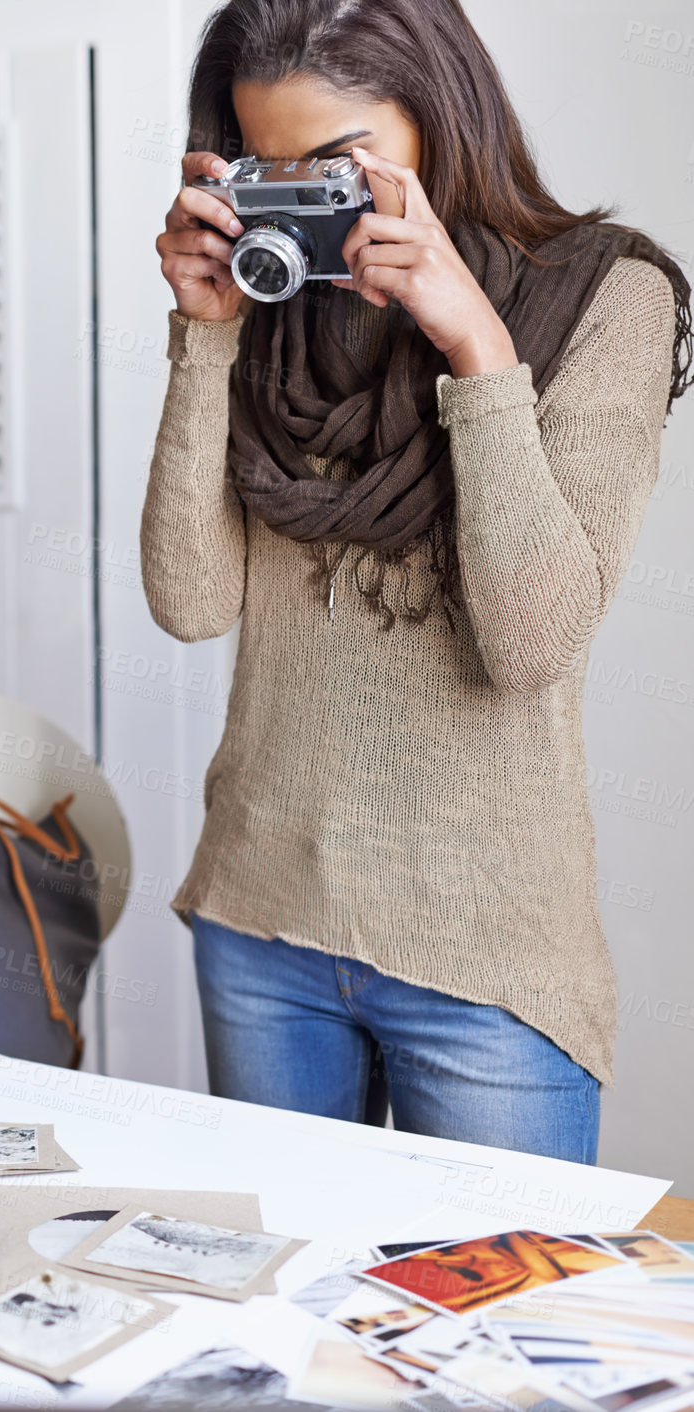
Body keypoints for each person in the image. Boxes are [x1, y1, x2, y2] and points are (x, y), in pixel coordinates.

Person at [142, 0, 692, 1163]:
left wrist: (478, 348)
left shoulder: (606, 296)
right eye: (268, 169)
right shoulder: (272, 310)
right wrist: (203, 338)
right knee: (283, 1327)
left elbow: (530, 638)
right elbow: (189, 603)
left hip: (484, 955)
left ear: (440, 117)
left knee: (499, 1339)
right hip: (259, 918)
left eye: (338, 166)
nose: (307, 203)